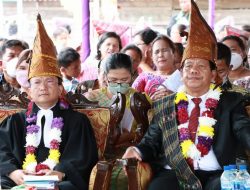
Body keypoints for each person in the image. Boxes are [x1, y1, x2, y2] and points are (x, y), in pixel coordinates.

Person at [122, 1, 250, 190]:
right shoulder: (166, 104)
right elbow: (151, 141)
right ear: (181, 74)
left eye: (201, 66)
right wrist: (136, 149)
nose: (193, 71)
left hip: (218, 174)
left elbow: (244, 130)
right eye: (188, 66)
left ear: (213, 74)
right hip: (175, 173)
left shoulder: (230, 102)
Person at [0, 14, 98, 190]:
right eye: (37, 82)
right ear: (29, 90)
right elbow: (2, 151)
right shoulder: (15, 122)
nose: (43, 87)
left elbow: (83, 157)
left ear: (61, 88)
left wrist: (59, 172)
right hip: (20, 180)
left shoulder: (77, 122)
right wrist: (14, 173)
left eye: (50, 81)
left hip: (59, 180)